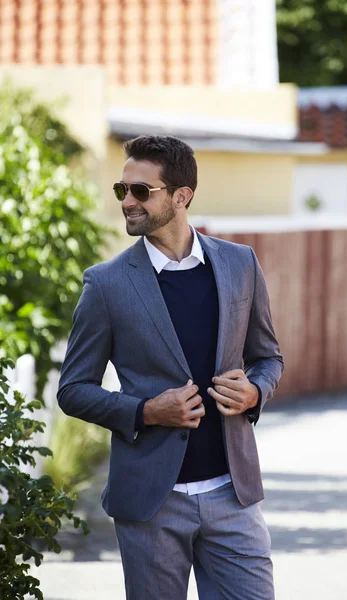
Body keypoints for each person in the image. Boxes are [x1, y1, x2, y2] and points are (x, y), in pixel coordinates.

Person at [57, 135, 284, 600]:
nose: (128, 202)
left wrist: (256, 392)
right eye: (123, 190)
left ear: (182, 196)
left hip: (232, 496)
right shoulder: (105, 284)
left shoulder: (240, 264)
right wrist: (145, 411)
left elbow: (268, 357)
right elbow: (73, 388)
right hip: (152, 503)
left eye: (142, 191)